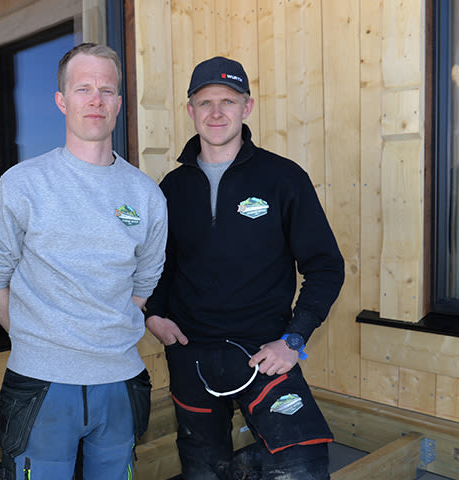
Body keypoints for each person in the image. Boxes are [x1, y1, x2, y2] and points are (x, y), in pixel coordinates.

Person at [144, 56, 345, 480]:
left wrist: (294, 339)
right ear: (191, 110)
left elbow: (326, 266)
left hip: (265, 352)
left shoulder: (283, 178)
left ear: (247, 108)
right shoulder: (172, 187)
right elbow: (160, 263)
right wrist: (155, 315)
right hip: (190, 355)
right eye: (205, 102)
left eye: (228, 101)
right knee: (202, 469)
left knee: (302, 468)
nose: (216, 113)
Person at [0, 42, 168, 480]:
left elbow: (145, 283)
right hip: (41, 387)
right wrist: (39, 336)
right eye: (83, 89)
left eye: (106, 89)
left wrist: (98, 336)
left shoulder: (145, 195)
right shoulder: (22, 185)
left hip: (120, 383)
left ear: (119, 102)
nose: (96, 99)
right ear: (62, 101)